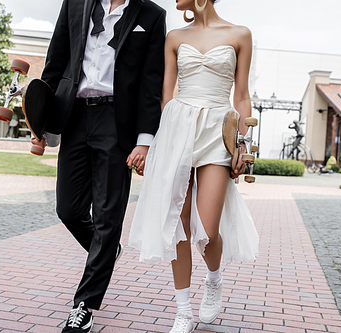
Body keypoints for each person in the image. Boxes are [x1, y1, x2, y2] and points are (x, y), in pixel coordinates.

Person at [33, 0, 166, 332]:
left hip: (116, 123)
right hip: (74, 114)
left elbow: (152, 84)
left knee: (108, 215)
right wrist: (40, 125)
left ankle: (85, 306)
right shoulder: (75, 3)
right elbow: (55, 63)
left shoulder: (151, 15)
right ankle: (108, 250)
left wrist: (144, 141)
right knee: (69, 209)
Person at [128, 0, 259, 332]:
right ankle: (183, 311)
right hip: (178, 129)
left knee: (206, 228)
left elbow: (241, 95)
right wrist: (160, 144)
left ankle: (213, 278)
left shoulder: (240, 34)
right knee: (179, 225)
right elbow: (166, 96)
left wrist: (243, 143)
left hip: (218, 130)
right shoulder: (174, 37)